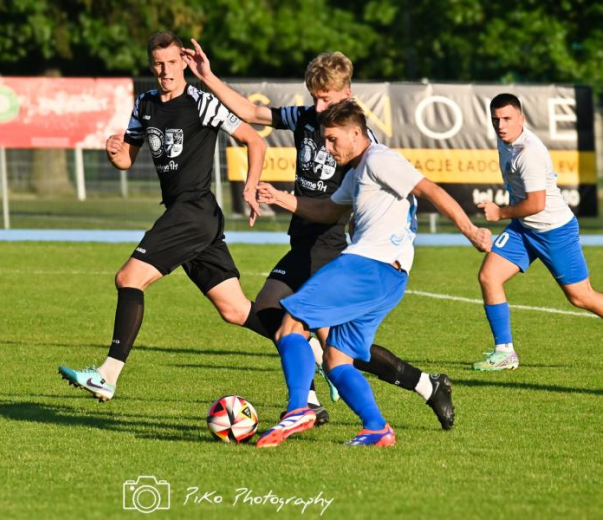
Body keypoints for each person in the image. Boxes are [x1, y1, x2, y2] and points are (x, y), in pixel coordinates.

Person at [182, 39, 456, 429]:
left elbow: (383, 196)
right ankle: (425, 385)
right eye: (315, 98)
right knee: (288, 322)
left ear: (348, 94)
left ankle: (311, 401)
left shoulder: (361, 142)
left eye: (326, 99)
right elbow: (252, 111)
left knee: (327, 343)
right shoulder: (305, 117)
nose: (320, 107)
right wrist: (207, 76)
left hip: (332, 245)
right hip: (304, 239)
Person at [255, 100, 491, 447]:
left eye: (333, 139)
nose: (327, 147)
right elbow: (326, 210)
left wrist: (471, 231)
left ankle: (298, 409)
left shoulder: (380, 159)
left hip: (367, 265)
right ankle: (377, 427)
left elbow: (430, 190)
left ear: (356, 133)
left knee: (291, 322)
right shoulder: (357, 171)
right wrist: (280, 197)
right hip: (391, 278)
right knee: (337, 358)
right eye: (324, 139)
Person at [58, 31, 270, 400]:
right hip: (186, 216)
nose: (165, 70)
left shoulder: (202, 102)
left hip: (194, 211)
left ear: (185, 62)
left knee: (128, 278)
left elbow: (256, 140)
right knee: (236, 310)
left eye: (172, 62)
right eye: (158, 63)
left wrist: (250, 187)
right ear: (150, 65)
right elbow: (127, 159)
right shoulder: (145, 103)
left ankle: (107, 375)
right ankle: (312, 350)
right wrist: (114, 152)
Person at [474, 93, 603, 371]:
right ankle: (504, 352)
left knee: (581, 297)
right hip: (525, 228)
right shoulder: (504, 140)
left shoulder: (529, 152)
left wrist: (499, 213)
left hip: (554, 230)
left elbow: (536, 204)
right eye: (496, 119)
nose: (501, 125)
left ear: (522, 118)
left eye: (507, 118)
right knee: (489, 276)